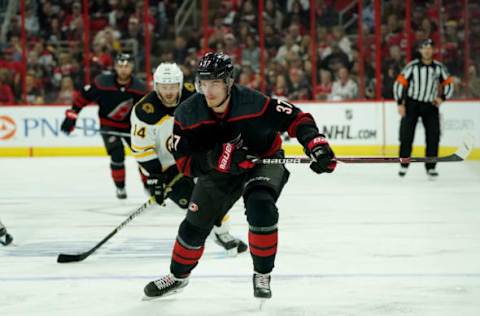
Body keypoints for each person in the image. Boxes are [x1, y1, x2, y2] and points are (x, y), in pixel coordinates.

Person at [143, 52, 336, 300]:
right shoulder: (187, 114)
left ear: (229, 82)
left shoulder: (254, 103)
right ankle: (178, 277)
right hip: (219, 172)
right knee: (193, 226)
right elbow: (185, 165)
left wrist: (315, 144)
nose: (208, 90)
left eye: (215, 82)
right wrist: (215, 159)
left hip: (261, 161)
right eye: (203, 82)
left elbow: (296, 117)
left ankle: (262, 274)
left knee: (261, 206)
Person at [130, 62, 247, 254]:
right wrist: (155, 176)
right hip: (165, 167)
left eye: (173, 86)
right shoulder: (144, 111)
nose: (168, 92)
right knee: (194, 203)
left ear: (181, 84)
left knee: (216, 191)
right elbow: (141, 150)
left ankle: (222, 233)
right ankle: (211, 234)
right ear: (156, 86)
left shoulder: (196, 97)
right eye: (164, 87)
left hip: (193, 156)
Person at [60, 54, 148, 198]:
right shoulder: (103, 83)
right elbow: (83, 97)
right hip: (109, 126)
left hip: (132, 127)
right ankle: (120, 187)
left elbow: (149, 110)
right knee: (117, 154)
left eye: (126, 66)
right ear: (115, 67)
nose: (123, 70)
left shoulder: (140, 88)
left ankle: (148, 185)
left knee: (144, 155)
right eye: (120, 66)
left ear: (132, 67)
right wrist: (72, 115)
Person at [393, 39, 454, 178]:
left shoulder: (438, 67)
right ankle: (404, 164)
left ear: (433, 50)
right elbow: (399, 83)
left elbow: (449, 84)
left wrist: (442, 98)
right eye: (424, 48)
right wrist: (400, 103)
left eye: (430, 48)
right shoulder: (412, 66)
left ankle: (431, 166)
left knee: (433, 136)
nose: (427, 50)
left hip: (430, 105)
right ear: (420, 50)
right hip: (412, 104)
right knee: (406, 136)